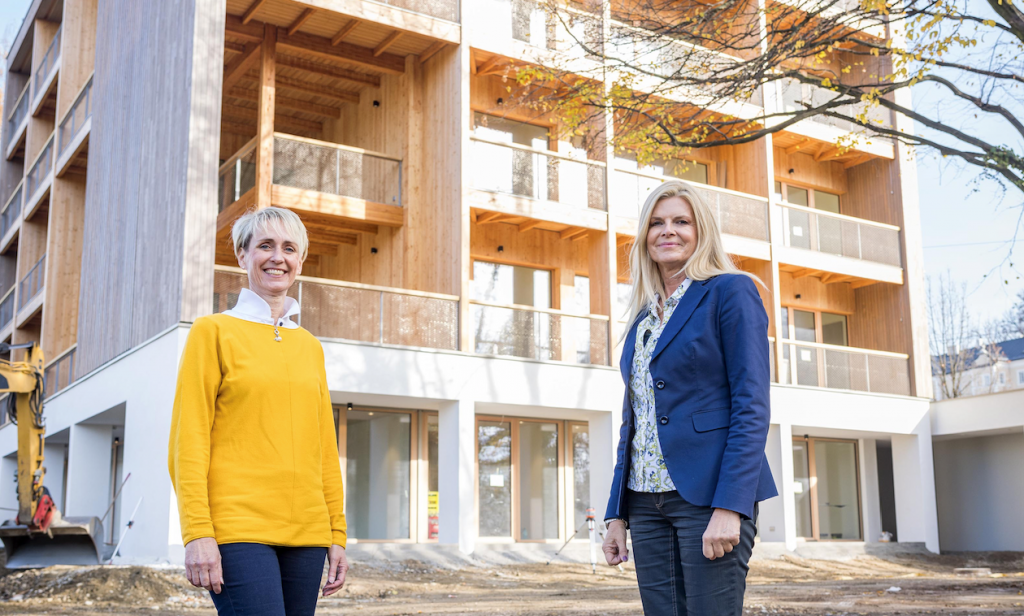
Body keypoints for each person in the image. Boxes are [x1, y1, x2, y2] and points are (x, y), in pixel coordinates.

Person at [601, 180, 778, 615]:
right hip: (644, 501)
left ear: (701, 232)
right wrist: (616, 514)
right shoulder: (643, 318)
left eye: (682, 221)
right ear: (645, 236)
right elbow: (636, 418)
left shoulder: (730, 292)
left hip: (708, 497)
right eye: (657, 223)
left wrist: (730, 506)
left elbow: (750, 406)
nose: (669, 231)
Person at [168, 207, 348, 616]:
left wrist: (336, 533)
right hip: (237, 529)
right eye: (265, 245)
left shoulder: (310, 347)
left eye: (289, 248)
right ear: (241, 255)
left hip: (307, 533)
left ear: (299, 261)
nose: (277, 257)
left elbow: (323, 446)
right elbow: (188, 440)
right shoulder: (212, 332)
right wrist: (197, 532)